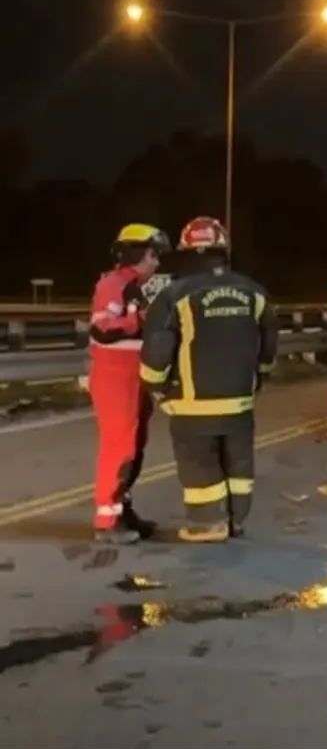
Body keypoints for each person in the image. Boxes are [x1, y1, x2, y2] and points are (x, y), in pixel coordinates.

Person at [139, 216, 279, 543]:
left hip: (192, 402)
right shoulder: (255, 292)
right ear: (223, 250)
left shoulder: (175, 295)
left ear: (186, 252)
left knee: (199, 462)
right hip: (240, 401)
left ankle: (208, 523)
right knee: (238, 462)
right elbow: (269, 342)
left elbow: (158, 348)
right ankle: (236, 520)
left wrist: (155, 385)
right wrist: (260, 377)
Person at [89, 223, 171, 544]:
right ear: (137, 254)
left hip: (134, 378)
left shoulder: (139, 286)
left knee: (135, 449)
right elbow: (103, 329)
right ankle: (106, 522)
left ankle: (123, 509)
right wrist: (141, 319)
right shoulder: (112, 285)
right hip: (115, 378)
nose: (157, 263)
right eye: (153, 255)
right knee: (119, 448)